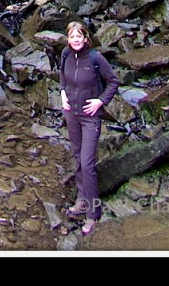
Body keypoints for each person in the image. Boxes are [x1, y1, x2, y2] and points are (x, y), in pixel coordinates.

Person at [60, 20, 119, 236]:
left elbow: (113, 81)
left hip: (90, 117)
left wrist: (100, 101)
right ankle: (82, 200)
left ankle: (93, 214)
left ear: (86, 38)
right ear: (68, 39)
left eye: (79, 37)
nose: (75, 40)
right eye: (72, 37)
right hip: (71, 114)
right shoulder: (66, 54)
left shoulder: (96, 58)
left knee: (87, 163)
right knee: (77, 158)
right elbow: (62, 77)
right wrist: (62, 93)